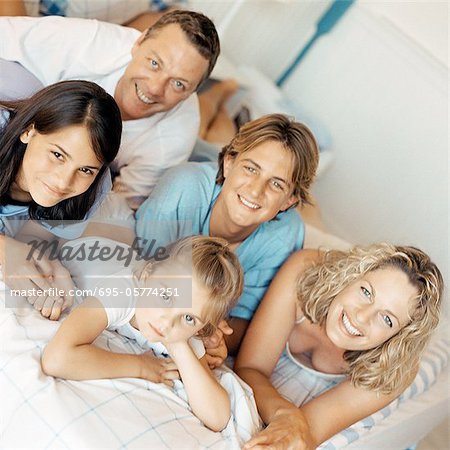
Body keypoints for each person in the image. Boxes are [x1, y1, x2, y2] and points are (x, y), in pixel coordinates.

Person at [136, 113, 320, 354]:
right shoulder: (182, 189)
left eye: (277, 184)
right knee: (209, 129)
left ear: (290, 200)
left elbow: (243, 325)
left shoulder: (285, 235)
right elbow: (139, 279)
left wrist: (215, 342)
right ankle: (220, 97)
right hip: (200, 160)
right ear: (230, 163)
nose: (255, 191)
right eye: (251, 169)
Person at [0, 9, 220, 208]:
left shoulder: (173, 139)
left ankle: (221, 95)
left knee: (205, 160)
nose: (154, 88)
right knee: (23, 88)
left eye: (178, 84)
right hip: (29, 99)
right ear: (138, 42)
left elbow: (121, 205)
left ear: (192, 92)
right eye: (154, 63)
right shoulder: (92, 42)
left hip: (121, 164)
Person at [234, 244, 443, 449]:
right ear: (353, 276)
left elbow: (308, 430)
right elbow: (250, 368)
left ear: (398, 337)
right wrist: (284, 414)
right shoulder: (305, 271)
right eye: (366, 292)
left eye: (387, 319)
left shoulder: (395, 366)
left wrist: (289, 424)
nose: (361, 316)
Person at [41, 235, 244, 432]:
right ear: (147, 275)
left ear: (201, 328)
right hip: (83, 245)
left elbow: (217, 417)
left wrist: (179, 345)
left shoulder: (183, 330)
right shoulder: (122, 292)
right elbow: (57, 359)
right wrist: (141, 366)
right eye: (165, 296)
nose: (167, 322)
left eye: (189, 318)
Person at [0, 80, 122, 320]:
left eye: (85, 169)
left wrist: (47, 267)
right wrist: (5, 248)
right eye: (57, 155)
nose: (63, 182)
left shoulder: (94, 187)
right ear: (28, 131)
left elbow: (32, 237)